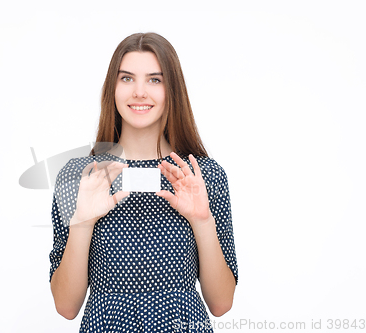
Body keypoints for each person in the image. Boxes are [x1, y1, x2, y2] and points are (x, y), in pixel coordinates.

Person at [49, 32, 238, 332]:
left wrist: (202, 221)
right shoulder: (81, 176)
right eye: (126, 79)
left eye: (154, 79)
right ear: (112, 87)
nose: (139, 92)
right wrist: (82, 223)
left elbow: (221, 302)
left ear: (172, 89)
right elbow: (66, 307)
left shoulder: (203, 176)